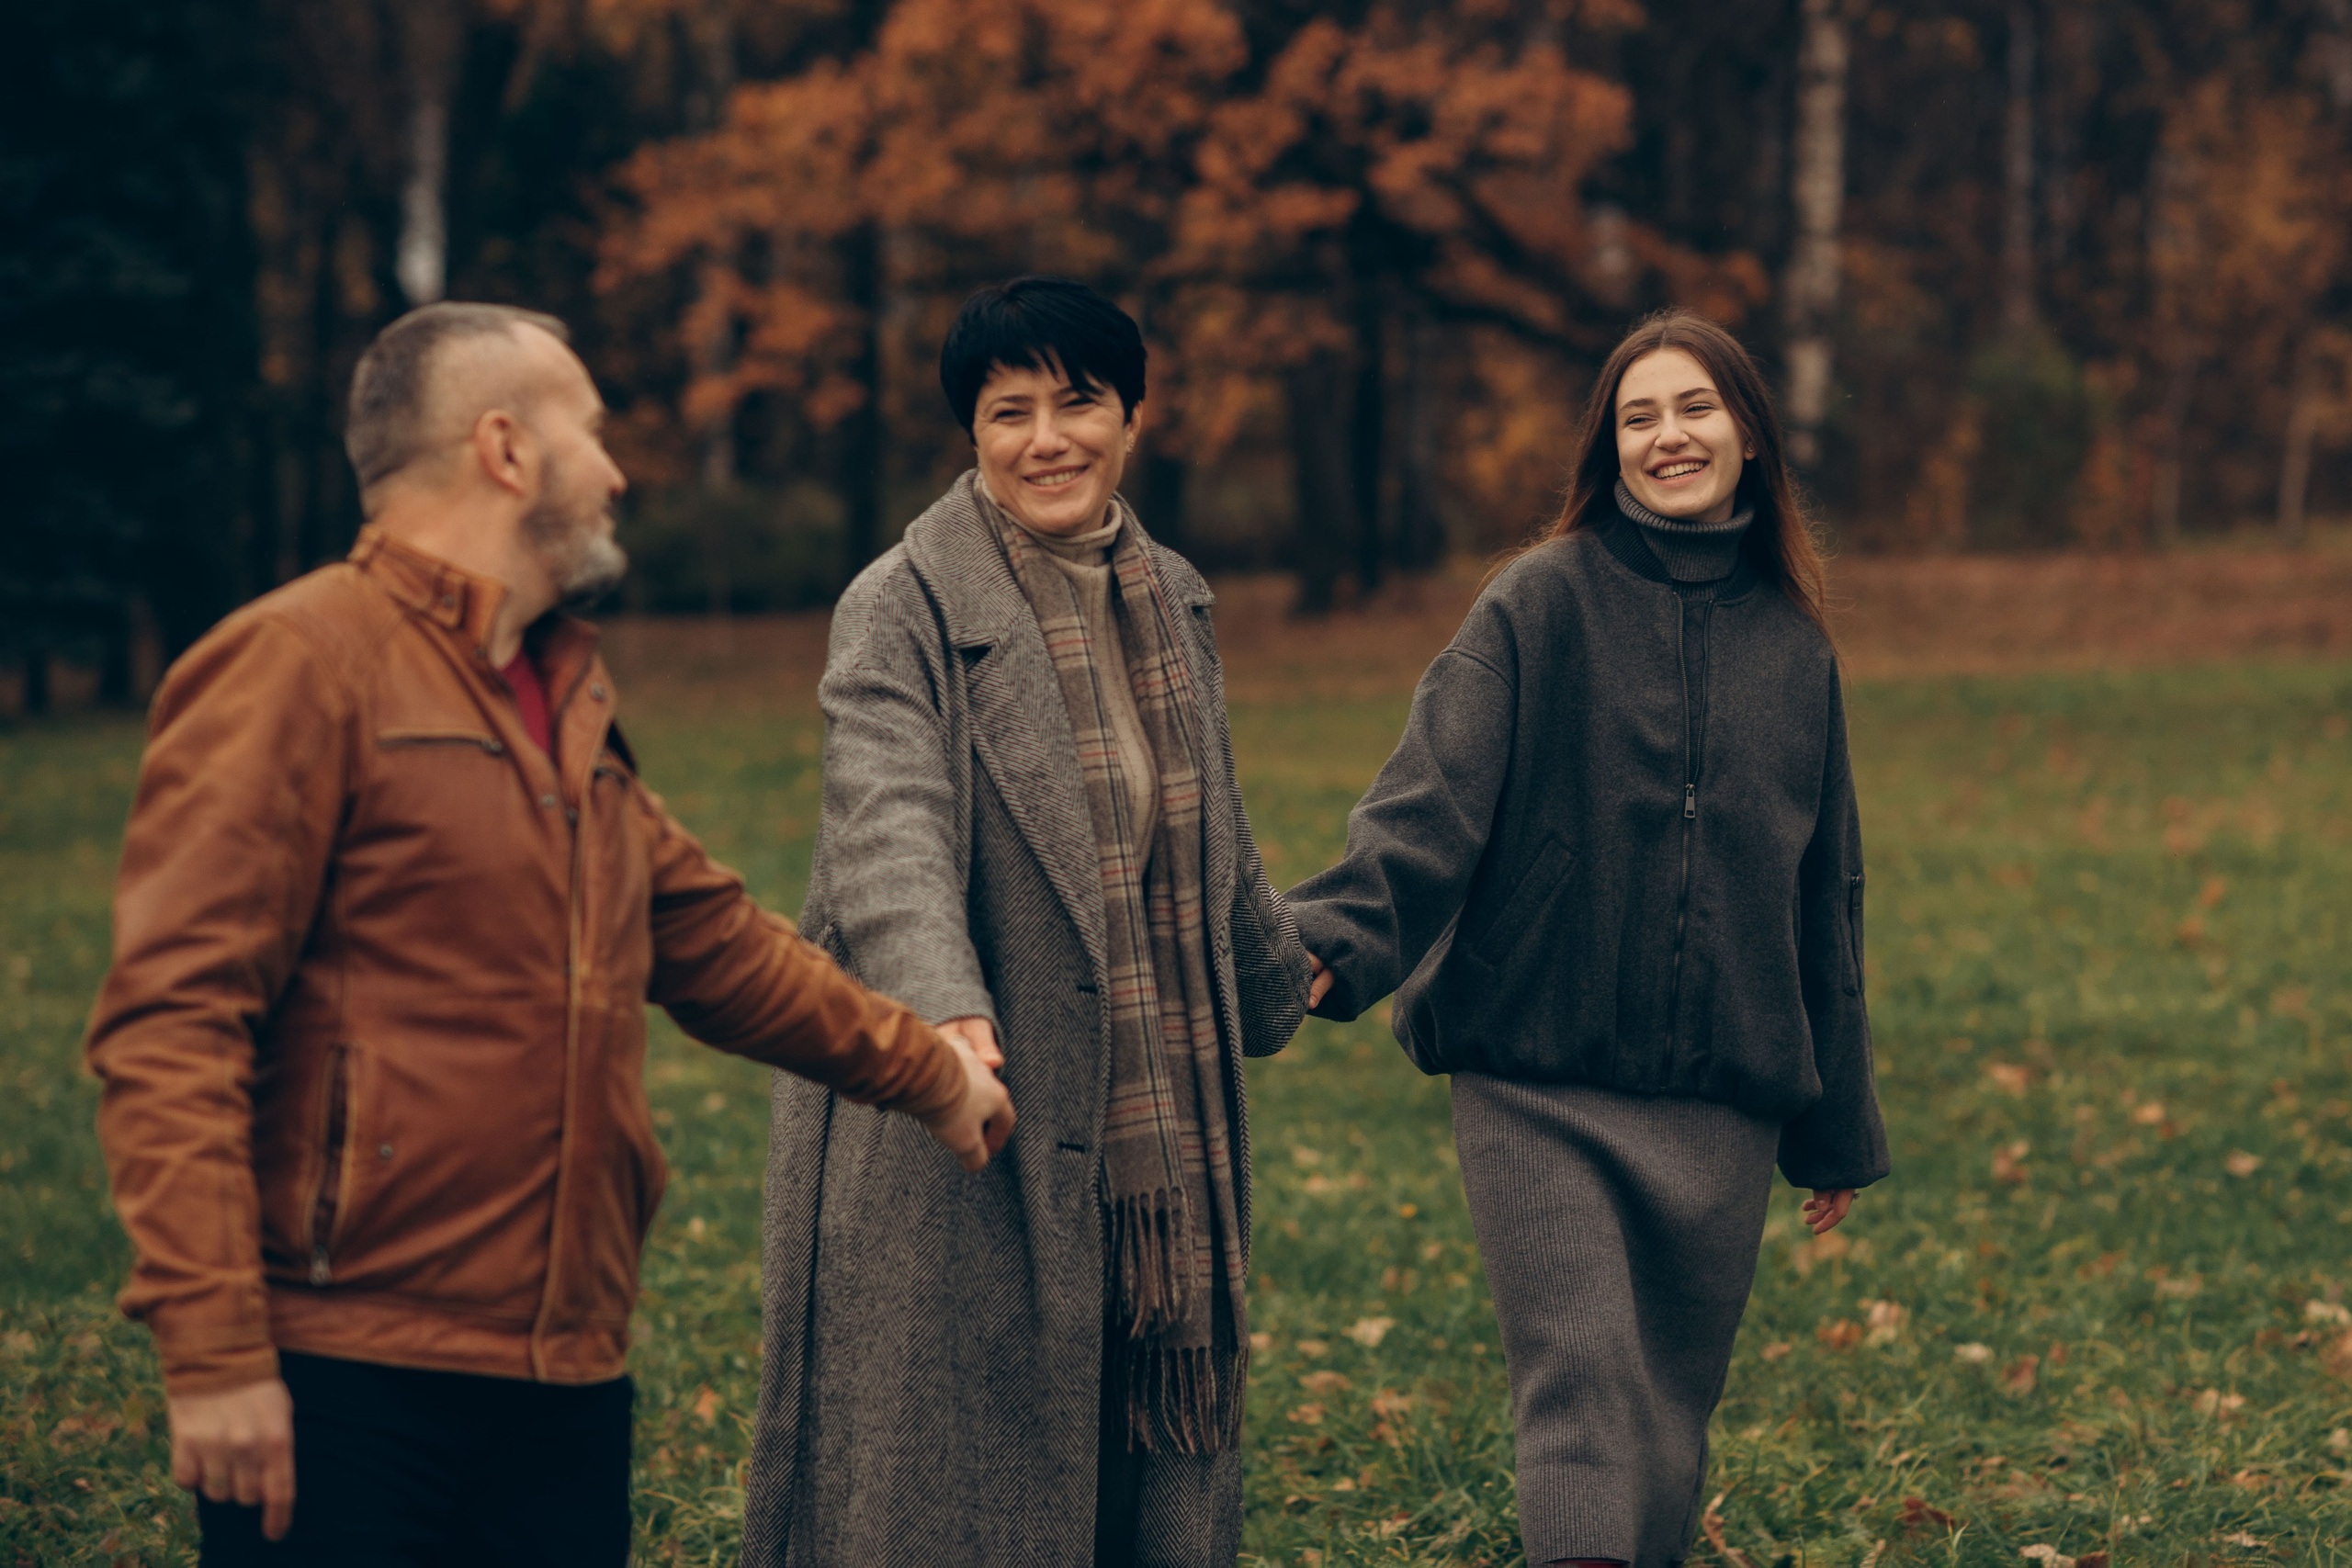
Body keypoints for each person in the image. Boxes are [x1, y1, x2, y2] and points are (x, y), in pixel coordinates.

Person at [84, 301, 1013, 1567]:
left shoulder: (559, 696)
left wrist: (928, 1074)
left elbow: (716, 943)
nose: (619, 469)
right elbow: (171, 1023)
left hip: (565, 1368)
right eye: (593, 427)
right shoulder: (298, 663)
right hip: (345, 1371)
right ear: (506, 449)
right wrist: (212, 1352)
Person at [1285, 308, 1889, 1568]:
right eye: (1639, 417)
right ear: (1608, 451)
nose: (1669, 435)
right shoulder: (1538, 604)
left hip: (1721, 1105)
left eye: (1695, 408)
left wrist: (1834, 1122)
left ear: (1751, 439)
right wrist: (1333, 938)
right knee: (1579, 1398)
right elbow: (1431, 797)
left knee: (1667, 1424)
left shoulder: (1795, 651)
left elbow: (1824, 892)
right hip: (1535, 1073)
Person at [741, 276, 1311, 1567]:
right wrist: (943, 1011)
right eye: (1010, 412)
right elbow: (887, 828)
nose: (1046, 439)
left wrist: (1287, 973)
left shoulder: (1174, 595)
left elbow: (1201, 832)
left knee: (1126, 1484)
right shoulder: (904, 604)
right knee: (949, 1492)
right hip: (958, 1122)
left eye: (1079, 402)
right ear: (972, 435)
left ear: (1132, 417)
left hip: (1150, 1128)